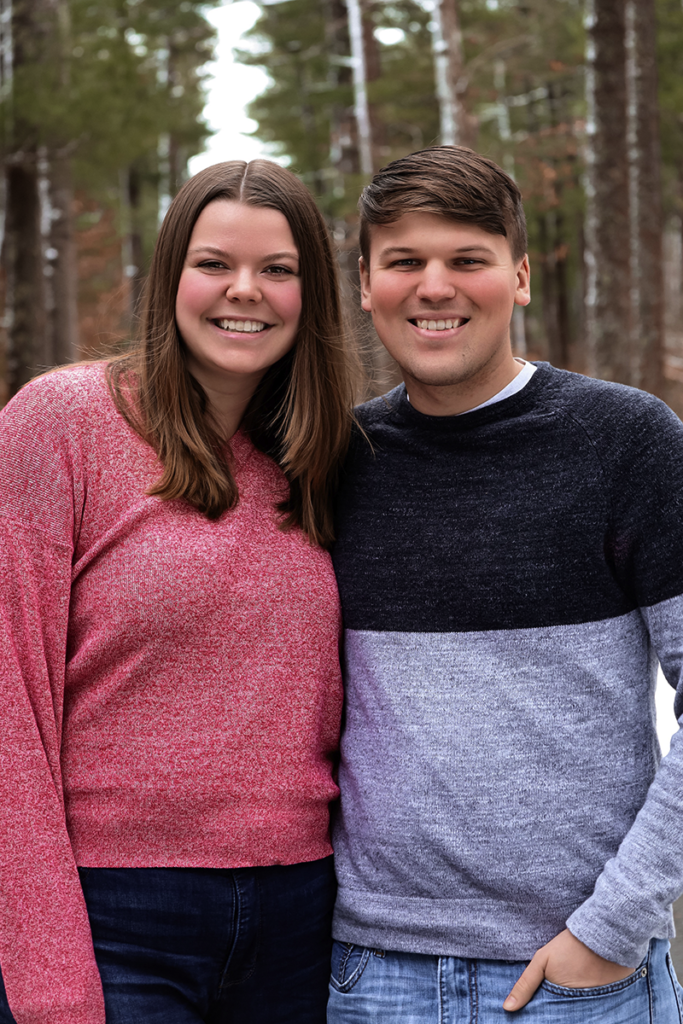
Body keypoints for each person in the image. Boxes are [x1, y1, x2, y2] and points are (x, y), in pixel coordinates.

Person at [328, 145, 683, 1023]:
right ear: (365, 286)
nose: (435, 286)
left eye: (468, 260)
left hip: (581, 976)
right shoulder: (335, 463)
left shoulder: (626, 441)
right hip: (365, 976)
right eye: (404, 261)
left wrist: (612, 926)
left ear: (518, 277)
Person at [0, 159, 357, 1024]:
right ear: (169, 277)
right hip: (113, 913)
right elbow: (10, 703)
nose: (246, 291)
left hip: (301, 918)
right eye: (213, 264)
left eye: (278, 270)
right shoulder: (64, 423)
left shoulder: (323, 461)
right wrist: (47, 976)